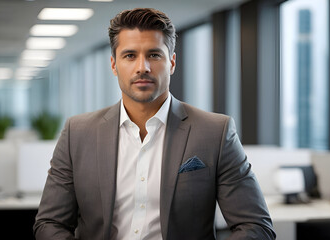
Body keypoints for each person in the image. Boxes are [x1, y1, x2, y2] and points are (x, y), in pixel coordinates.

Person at [34, 8, 275, 240]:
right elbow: (50, 223)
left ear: (171, 62)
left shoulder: (215, 132)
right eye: (130, 55)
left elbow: (256, 225)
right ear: (113, 64)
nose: (143, 67)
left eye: (154, 55)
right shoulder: (78, 133)